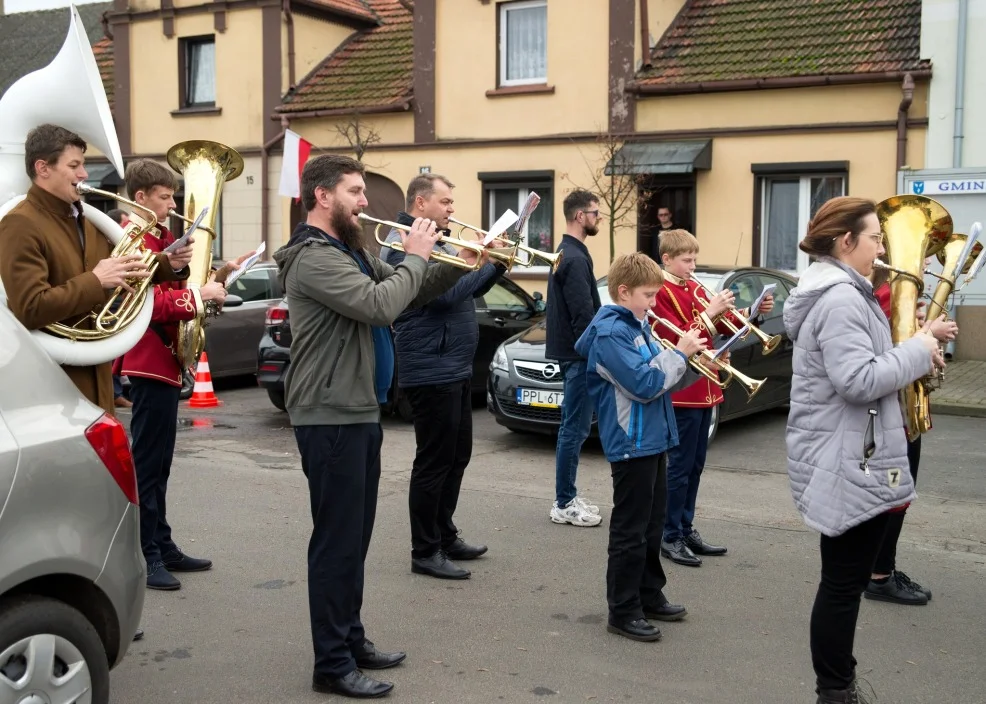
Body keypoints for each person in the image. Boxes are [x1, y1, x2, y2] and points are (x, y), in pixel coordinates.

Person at [274, 155, 483, 699]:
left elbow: (409, 288)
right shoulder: (312, 257)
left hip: (359, 408)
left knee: (355, 538)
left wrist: (458, 262)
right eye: (356, 191)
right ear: (323, 197)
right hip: (330, 412)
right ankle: (332, 664)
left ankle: (351, 639)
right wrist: (416, 253)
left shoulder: (350, 248)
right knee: (337, 541)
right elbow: (380, 305)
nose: (366, 202)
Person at [782, 196, 940, 704]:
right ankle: (835, 690)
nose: (881, 247)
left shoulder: (848, 292)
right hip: (849, 457)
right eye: (875, 237)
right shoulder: (842, 298)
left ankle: (837, 683)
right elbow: (857, 380)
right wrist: (917, 348)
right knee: (842, 587)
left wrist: (912, 340)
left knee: (843, 584)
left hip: (853, 451)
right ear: (845, 241)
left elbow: (867, 364)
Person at [112, 159, 244, 591]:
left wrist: (211, 279)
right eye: (165, 196)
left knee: (162, 464)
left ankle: (161, 543)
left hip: (164, 360)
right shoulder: (132, 240)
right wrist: (197, 296)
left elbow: (172, 290)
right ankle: (145, 553)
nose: (173, 204)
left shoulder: (163, 238)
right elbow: (148, 305)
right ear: (141, 198)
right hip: (147, 360)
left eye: (172, 195)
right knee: (148, 466)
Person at [0, 124, 190, 417]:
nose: (84, 174)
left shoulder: (85, 221)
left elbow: (122, 270)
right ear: (43, 168)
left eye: (83, 165)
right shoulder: (21, 223)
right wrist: (96, 280)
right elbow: (30, 307)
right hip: (58, 382)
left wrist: (169, 265)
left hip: (95, 370)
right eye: (74, 165)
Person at [574, 252, 705, 642]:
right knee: (630, 530)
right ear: (623, 291)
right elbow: (644, 385)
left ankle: (649, 594)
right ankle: (623, 608)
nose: (653, 303)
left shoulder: (637, 324)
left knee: (652, 524)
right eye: (648, 295)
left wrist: (693, 362)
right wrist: (679, 353)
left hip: (653, 438)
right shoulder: (611, 333)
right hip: (631, 441)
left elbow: (661, 378)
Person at [380, 174, 506, 580]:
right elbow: (444, 294)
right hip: (428, 367)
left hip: (453, 364)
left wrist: (497, 264)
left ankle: (444, 534)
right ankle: (425, 550)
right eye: (446, 202)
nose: (453, 209)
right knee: (433, 462)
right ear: (420, 203)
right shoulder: (404, 244)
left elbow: (466, 290)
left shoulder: (444, 240)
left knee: (457, 456)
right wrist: (480, 261)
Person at [652, 229, 773, 566]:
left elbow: (730, 327)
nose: (692, 266)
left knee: (695, 466)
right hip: (684, 391)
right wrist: (711, 312)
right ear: (667, 259)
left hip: (708, 389)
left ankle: (685, 526)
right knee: (678, 467)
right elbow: (679, 336)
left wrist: (754, 311)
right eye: (686, 260)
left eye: (694, 259)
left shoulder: (693, 287)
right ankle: (669, 534)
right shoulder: (660, 292)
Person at [864, 261, 958, 605]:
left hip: (901, 409)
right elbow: (893, 349)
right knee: (894, 496)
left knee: (897, 495)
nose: (928, 262)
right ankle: (878, 576)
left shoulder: (895, 293)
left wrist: (926, 332)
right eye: (923, 257)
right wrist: (930, 333)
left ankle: (879, 568)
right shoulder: (890, 295)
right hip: (894, 414)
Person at [545, 189, 604, 527]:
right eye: (595, 213)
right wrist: (599, 351)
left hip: (572, 353)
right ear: (580, 216)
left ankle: (566, 494)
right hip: (579, 355)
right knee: (574, 429)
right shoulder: (575, 257)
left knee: (574, 427)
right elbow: (584, 315)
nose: (597, 218)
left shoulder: (567, 252)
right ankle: (564, 502)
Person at [107, 207, 133, 409]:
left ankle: (117, 391)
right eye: (124, 225)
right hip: (112, 300)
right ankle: (115, 393)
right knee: (112, 349)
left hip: (121, 298)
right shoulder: (108, 242)